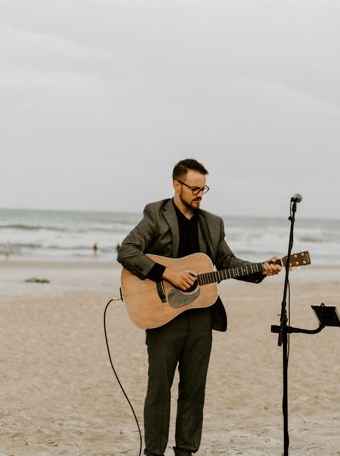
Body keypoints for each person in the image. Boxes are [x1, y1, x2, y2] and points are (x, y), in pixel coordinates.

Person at [117, 158, 281, 456]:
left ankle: (186, 451)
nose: (199, 194)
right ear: (176, 185)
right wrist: (167, 273)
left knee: (194, 391)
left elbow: (227, 262)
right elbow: (127, 251)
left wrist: (260, 268)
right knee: (159, 390)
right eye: (194, 188)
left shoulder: (213, 223)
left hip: (202, 315)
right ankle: (154, 452)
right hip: (164, 317)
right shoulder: (156, 214)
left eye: (204, 188)